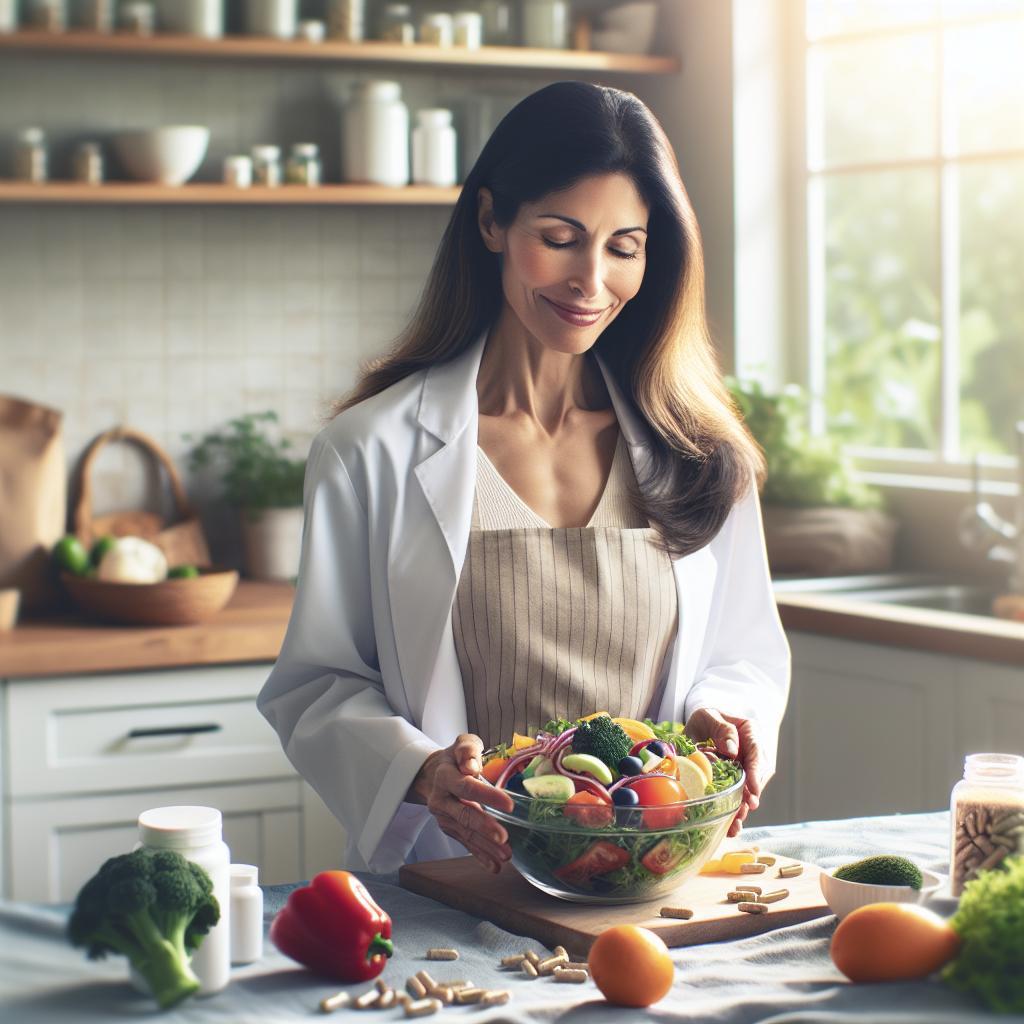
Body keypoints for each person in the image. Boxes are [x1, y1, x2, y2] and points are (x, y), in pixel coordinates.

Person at [258, 81, 790, 875]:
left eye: (624, 247)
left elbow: (745, 652)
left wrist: (725, 712)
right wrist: (420, 768)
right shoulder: (369, 449)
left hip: (646, 880)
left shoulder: (700, 453)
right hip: (456, 876)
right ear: (491, 221)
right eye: (561, 236)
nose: (590, 281)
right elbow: (317, 685)